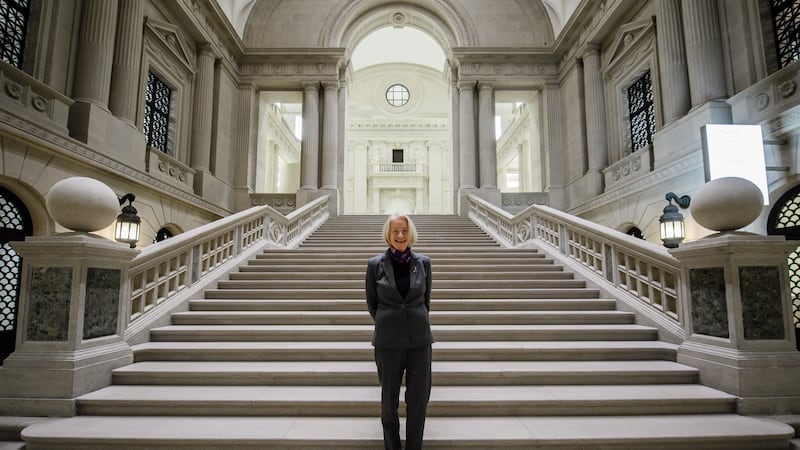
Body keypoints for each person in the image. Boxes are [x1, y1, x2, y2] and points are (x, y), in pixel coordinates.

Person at [366, 213, 433, 450]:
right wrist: (390, 321)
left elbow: (426, 301)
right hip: (388, 341)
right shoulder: (375, 265)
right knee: (389, 401)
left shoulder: (423, 263)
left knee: (418, 401)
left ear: (410, 232)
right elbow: (372, 303)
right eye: (395, 231)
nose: (400, 235)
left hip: (419, 341)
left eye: (404, 230)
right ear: (388, 234)